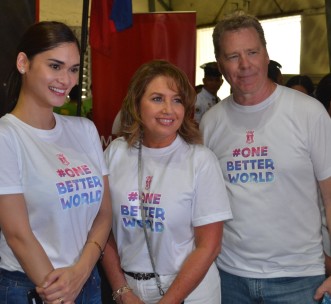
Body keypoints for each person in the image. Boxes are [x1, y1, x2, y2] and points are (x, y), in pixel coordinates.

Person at [200, 11, 331, 303]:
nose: (245, 64)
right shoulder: (211, 122)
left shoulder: (309, 113)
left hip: (298, 279)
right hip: (229, 278)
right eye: (233, 56)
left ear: (267, 54)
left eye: (252, 52)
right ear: (220, 64)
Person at [102, 60, 232, 304]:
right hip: (129, 291)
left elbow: (209, 246)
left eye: (177, 100)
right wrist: (122, 291)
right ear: (137, 102)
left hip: (189, 292)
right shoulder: (115, 154)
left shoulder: (200, 160)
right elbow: (102, 229)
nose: (168, 110)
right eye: (157, 99)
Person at [0, 21, 112, 304]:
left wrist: (81, 272)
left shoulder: (84, 130)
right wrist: (61, 294)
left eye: (73, 69)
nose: (66, 80)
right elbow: (17, 234)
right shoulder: (7, 136)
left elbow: (104, 212)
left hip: (86, 281)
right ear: (23, 63)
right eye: (55, 66)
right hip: (30, 287)